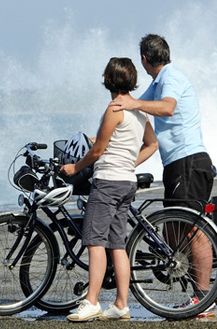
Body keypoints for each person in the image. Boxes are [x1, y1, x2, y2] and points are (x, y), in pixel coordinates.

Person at [109, 33, 217, 317]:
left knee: (192, 229)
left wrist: (131, 104)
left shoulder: (170, 78)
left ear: (145, 60)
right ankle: (198, 289)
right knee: (175, 231)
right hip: (176, 164)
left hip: (188, 162)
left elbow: (166, 108)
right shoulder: (159, 82)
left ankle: (204, 298)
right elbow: (135, 110)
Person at [60, 57, 158, 322]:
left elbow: (99, 151)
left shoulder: (114, 109)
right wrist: (128, 162)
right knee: (117, 245)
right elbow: (151, 144)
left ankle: (92, 301)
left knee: (94, 242)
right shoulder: (139, 111)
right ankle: (121, 305)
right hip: (126, 182)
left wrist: (75, 168)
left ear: (109, 79)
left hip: (107, 183)